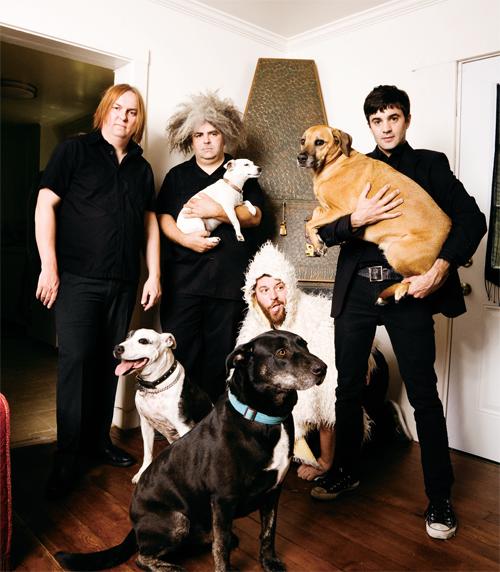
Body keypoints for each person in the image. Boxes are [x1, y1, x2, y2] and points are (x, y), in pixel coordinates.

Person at [311, 85, 487, 540]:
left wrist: (440, 269)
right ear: (367, 126)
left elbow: (473, 220)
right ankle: (345, 470)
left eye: (393, 118)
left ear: (406, 119)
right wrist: (356, 218)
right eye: (377, 120)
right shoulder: (349, 166)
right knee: (347, 388)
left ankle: (440, 498)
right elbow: (325, 233)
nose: (386, 127)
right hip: (356, 291)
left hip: (409, 288)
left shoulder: (430, 165)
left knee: (423, 394)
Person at [35, 84, 161, 497]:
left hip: (123, 282)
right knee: (76, 363)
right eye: (117, 108)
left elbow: (149, 223)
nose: (124, 117)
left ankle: (97, 442)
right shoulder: (74, 151)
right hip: (77, 278)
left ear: (138, 120)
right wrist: (49, 266)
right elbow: (45, 205)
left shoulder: (141, 168)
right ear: (104, 110)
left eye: (132, 112)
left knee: (112, 362)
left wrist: (153, 275)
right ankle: (68, 453)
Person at [237, 241, 409, 481]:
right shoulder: (252, 329)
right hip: (327, 380)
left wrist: (326, 462)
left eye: (279, 287)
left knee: (356, 441)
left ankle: (387, 418)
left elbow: (329, 397)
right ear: (254, 296)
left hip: (370, 371)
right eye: (264, 290)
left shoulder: (315, 318)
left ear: (290, 288)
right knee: (299, 444)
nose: (274, 296)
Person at [156, 91, 263, 403]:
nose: (206, 141)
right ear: (190, 139)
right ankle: (181, 424)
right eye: (199, 135)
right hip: (183, 284)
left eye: (213, 134)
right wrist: (184, 238)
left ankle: (214, 426)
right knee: (180, 359)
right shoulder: (177, 176)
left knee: (221, 361)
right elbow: (162, 217)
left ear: (224, 135)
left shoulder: (241, 174)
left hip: (228, 285)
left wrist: (214, 211)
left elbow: (256, 217)